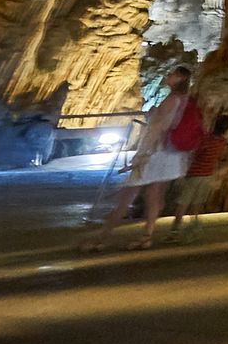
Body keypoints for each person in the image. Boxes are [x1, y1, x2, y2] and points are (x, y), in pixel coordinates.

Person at [81, 66, 200, 252]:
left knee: (126, 196)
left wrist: (140, 155)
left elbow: (157, 128)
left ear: (179, 78)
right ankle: (147, 237)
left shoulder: (171, 100)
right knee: (155, 197)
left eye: (171, 74)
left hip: (155, 154)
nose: (167, 76)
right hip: (172, 156)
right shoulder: (185, 100)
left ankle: (101, 239)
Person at [166, 113, 228, 242]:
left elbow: (195, 153)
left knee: (182, 204)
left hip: (194, 175)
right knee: (197, 203)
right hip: (207, 175)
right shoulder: (222, 142)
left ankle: (175, 231)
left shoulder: (206, 140)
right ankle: (195, 228)